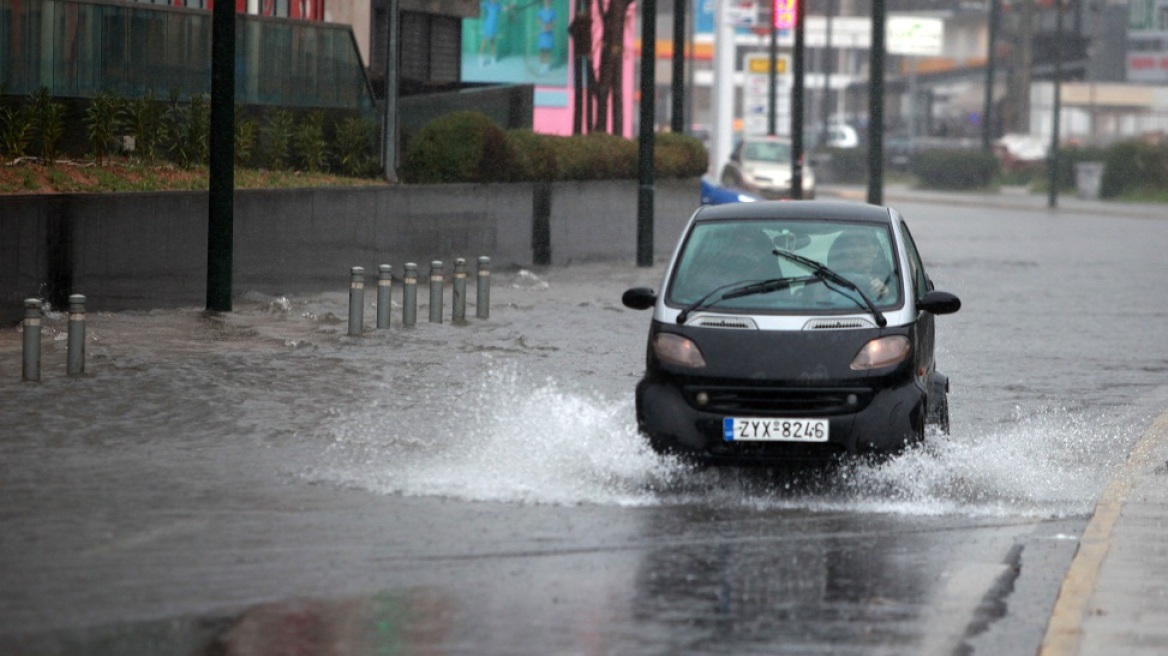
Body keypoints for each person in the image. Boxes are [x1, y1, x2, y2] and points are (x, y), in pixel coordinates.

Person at [826, 230, 893, 299]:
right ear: (844, 252)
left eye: (863, 245)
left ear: (875, 250)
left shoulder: (892, 277)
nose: (857, 251)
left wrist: (885, 291)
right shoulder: (827, 281)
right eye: (851, 246)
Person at [479, 0, 506, 66]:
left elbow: (504, 9)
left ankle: (493, 59)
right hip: (487, 26)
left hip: (494, 27)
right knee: (484, 43)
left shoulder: (498, 5)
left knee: (492, 43)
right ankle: (481, 60)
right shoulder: (486, 3)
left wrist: (511, 6)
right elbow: (478, 6)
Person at [535, 0, 557, 74]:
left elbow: (554, 22)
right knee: (542, 50)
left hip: (549, 34)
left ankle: (547, 67)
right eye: (546, 1)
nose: (547, 1)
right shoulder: (541, 11)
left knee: (548, 50)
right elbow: (538, 20)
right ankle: (542, 66)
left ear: (551, 2)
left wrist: (550, 27)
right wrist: (542, 26)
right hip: (542, 33)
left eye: (549, 1)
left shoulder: (553, 12)